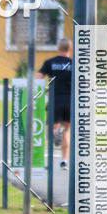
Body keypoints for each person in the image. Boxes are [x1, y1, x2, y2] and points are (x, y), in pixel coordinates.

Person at [37, 38, 72, 169]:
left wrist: (45, 89)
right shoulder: (74, 63)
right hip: (69, 100)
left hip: (55, 99)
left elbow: (38, 77)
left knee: (50, 129)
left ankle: (50, 160)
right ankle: (64, 161)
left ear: (58, 48)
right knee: (66, 130)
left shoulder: (50, 63)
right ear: (70, 49)